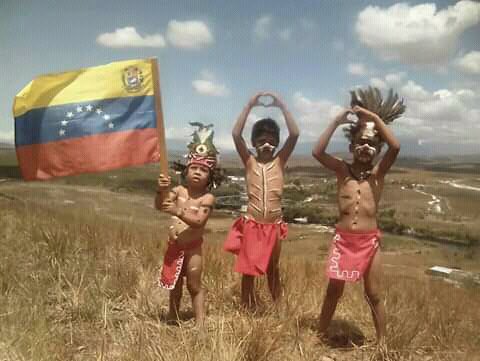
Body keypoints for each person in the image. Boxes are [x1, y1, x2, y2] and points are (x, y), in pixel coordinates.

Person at [312, 87, 405, 343]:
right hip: (343, 241)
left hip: (369, 242)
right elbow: (317, 152)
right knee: (333, 291)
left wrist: (374, 119)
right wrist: (335, 122)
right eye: (361, 142)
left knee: (373, 293)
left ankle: (383, 342)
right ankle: (320, 334)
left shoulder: (378, 174)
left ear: (378, 148)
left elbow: (395, 147)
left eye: (372, 143)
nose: (365, 147)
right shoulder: (342, 170)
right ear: (352, 146)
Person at [224, 91, 299, 308]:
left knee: (273, 269)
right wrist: (249, 105)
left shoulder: (280, 161)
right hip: (253, 224)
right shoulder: (249, 162)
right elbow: (236, 134)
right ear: (254, 143)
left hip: (273, 225)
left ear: (276, 143)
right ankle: (246, 307)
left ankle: (279, 310)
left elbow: (294, 135)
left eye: (271, 141)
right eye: (262, 140)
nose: (267, 145)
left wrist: (282, 106)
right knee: (248, 271)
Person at [156, 122, 223, 327]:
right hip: (175, 247)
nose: (197, 172)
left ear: (210, 176)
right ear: (186, 170)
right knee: (174, 285)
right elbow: (161, 205)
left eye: (203, 170)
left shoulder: (207, 198)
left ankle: (200, 323)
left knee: (194, 285)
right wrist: (161, 191)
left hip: (193, 250)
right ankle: (173, 317)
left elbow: (199, 221)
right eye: (194, 167)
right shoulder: (178, 191)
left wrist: (177, 211)